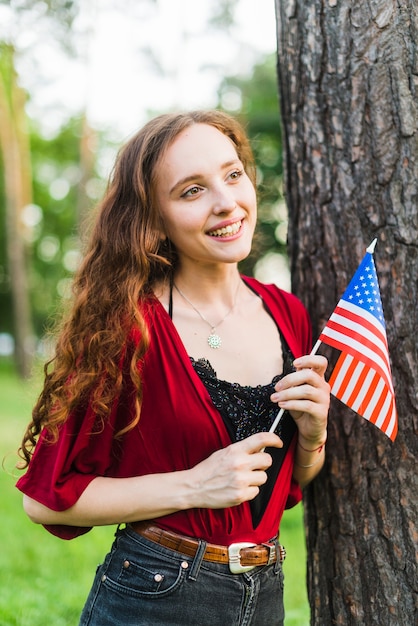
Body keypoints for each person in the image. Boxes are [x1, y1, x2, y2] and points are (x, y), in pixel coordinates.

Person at [16, 110, 330, 626]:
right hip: (157, 592)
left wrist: (313, 434)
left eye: (233, 175)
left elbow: (291, 484)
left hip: (267, 593)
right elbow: (46, 501)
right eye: (191, 191)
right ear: (154, 218)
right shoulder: (128, 327)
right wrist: (193, 485)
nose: (227, 203)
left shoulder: (288, 313)